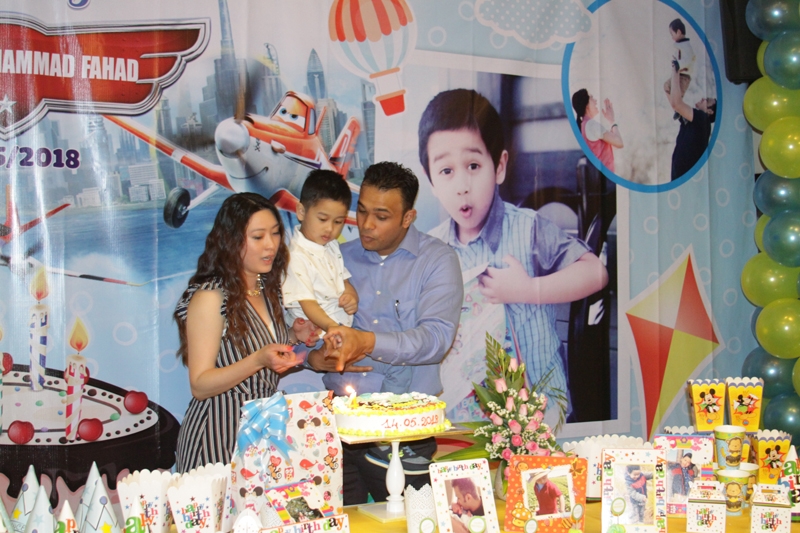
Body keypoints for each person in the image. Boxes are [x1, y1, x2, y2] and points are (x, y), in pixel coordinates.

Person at [421, 89, 608, 414]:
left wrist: (529, 290)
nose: (462, 186)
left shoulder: (529, 228)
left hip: (538, 412)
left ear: (499, 166)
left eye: (473, 165)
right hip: (461, 415)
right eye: (446, 171)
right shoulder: (430, 250)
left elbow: (596, 272)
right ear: (432, 183)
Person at [306, 161, 463, 504]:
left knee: (411, 522)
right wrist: (314, 357)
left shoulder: (437, 260)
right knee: (344, 524)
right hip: (337, 426)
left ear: (408, 217)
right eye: (361, 211)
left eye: (381, 216)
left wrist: (366, 342)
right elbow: (303, 332)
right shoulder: (336, 259)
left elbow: (436, 339)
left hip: (405, 431)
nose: (366, 224)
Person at [173, 193, 312, 473]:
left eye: (275, 233)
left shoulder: (266, 288)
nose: (271, 245)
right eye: (258, 237)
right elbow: (200, 384)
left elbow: (255, 344)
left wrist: (294, 335)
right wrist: (258, 360)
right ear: (230, 240)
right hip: (216, 438)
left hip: (260, 436)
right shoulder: (212, 297)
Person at [281, 169, 360, 332]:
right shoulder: (295, 256)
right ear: (301, 212)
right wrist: (332, 327)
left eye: (338, 222)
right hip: (314, 334)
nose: (330, 228)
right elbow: (308, 304)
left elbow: (343, 281)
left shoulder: (331, 245)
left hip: (338, 328)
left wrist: (351, 296)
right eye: (322, 219)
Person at [665, 59, 716, 181]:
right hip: (680, 180)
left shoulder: (703, 120)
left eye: (707, 100)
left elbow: (676, 104)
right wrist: (677, 77)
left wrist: (675, 71)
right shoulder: (693, 123)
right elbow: (671, 95)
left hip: (685, 181)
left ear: (709, 112)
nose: (703, 98)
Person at [571, 88, 623, 173]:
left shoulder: (584, 124)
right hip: (605, 175)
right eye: (592, 98)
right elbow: (619, 143)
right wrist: (612, 121)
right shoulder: (591, 125)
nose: (595, 101)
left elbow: (614, 145)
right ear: (586, 105)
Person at [668, 18, 696, 94]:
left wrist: (678, 64)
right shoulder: (680, 45)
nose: (672, 37)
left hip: (684, 75)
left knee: (677, 93)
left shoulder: (686, 46)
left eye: (672, 34)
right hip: (678, 74)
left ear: (679, 32)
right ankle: (673, 100)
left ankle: (677, 101)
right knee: (667, 86)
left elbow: (687, 59)